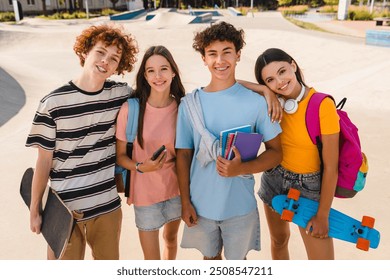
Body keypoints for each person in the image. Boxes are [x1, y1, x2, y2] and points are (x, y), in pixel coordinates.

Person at [25, 24, 138, 260]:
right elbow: (44, 162)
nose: (105, 61)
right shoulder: (53, 103)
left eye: (114, 58)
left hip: (107, 207)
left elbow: (157, 94)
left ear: (119, 66)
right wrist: (35, 209)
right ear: (86, 51)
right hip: (65, 211)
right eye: (101, 52)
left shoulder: (120, 94)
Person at [175, 22, 283, 260]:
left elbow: (276, 152)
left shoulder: (256, 103)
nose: (220, 60)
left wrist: (242, 168)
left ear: (238, 55)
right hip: (201, 204)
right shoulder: (189, 105)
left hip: (240, 206)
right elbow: (183, 155)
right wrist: (185, 202)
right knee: (209, 261)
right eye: (212, 53)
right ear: (203, 58)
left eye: (227, 52)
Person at [242, 48, 340, 260]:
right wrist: (266, 92)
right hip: (274, 179)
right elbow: (232, 85)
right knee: (279, 242)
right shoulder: (272, 102)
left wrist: (323, 215)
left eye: (282, 71)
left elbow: (332, 167)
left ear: (293, 66)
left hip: (310, 188)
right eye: (270, 79)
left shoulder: (323, 105)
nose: (279, 82)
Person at [116, 45, 185, 260]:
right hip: (144, 195)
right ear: (144, 76)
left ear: (173, 72)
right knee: (151, 261)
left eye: (164, 69)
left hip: (177, 191)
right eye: (151, 71)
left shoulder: (184, 106)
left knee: (171, 242)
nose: (158, 76)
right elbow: (120, 156)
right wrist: (140, 167)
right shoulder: (131, 109)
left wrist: (265, 90)